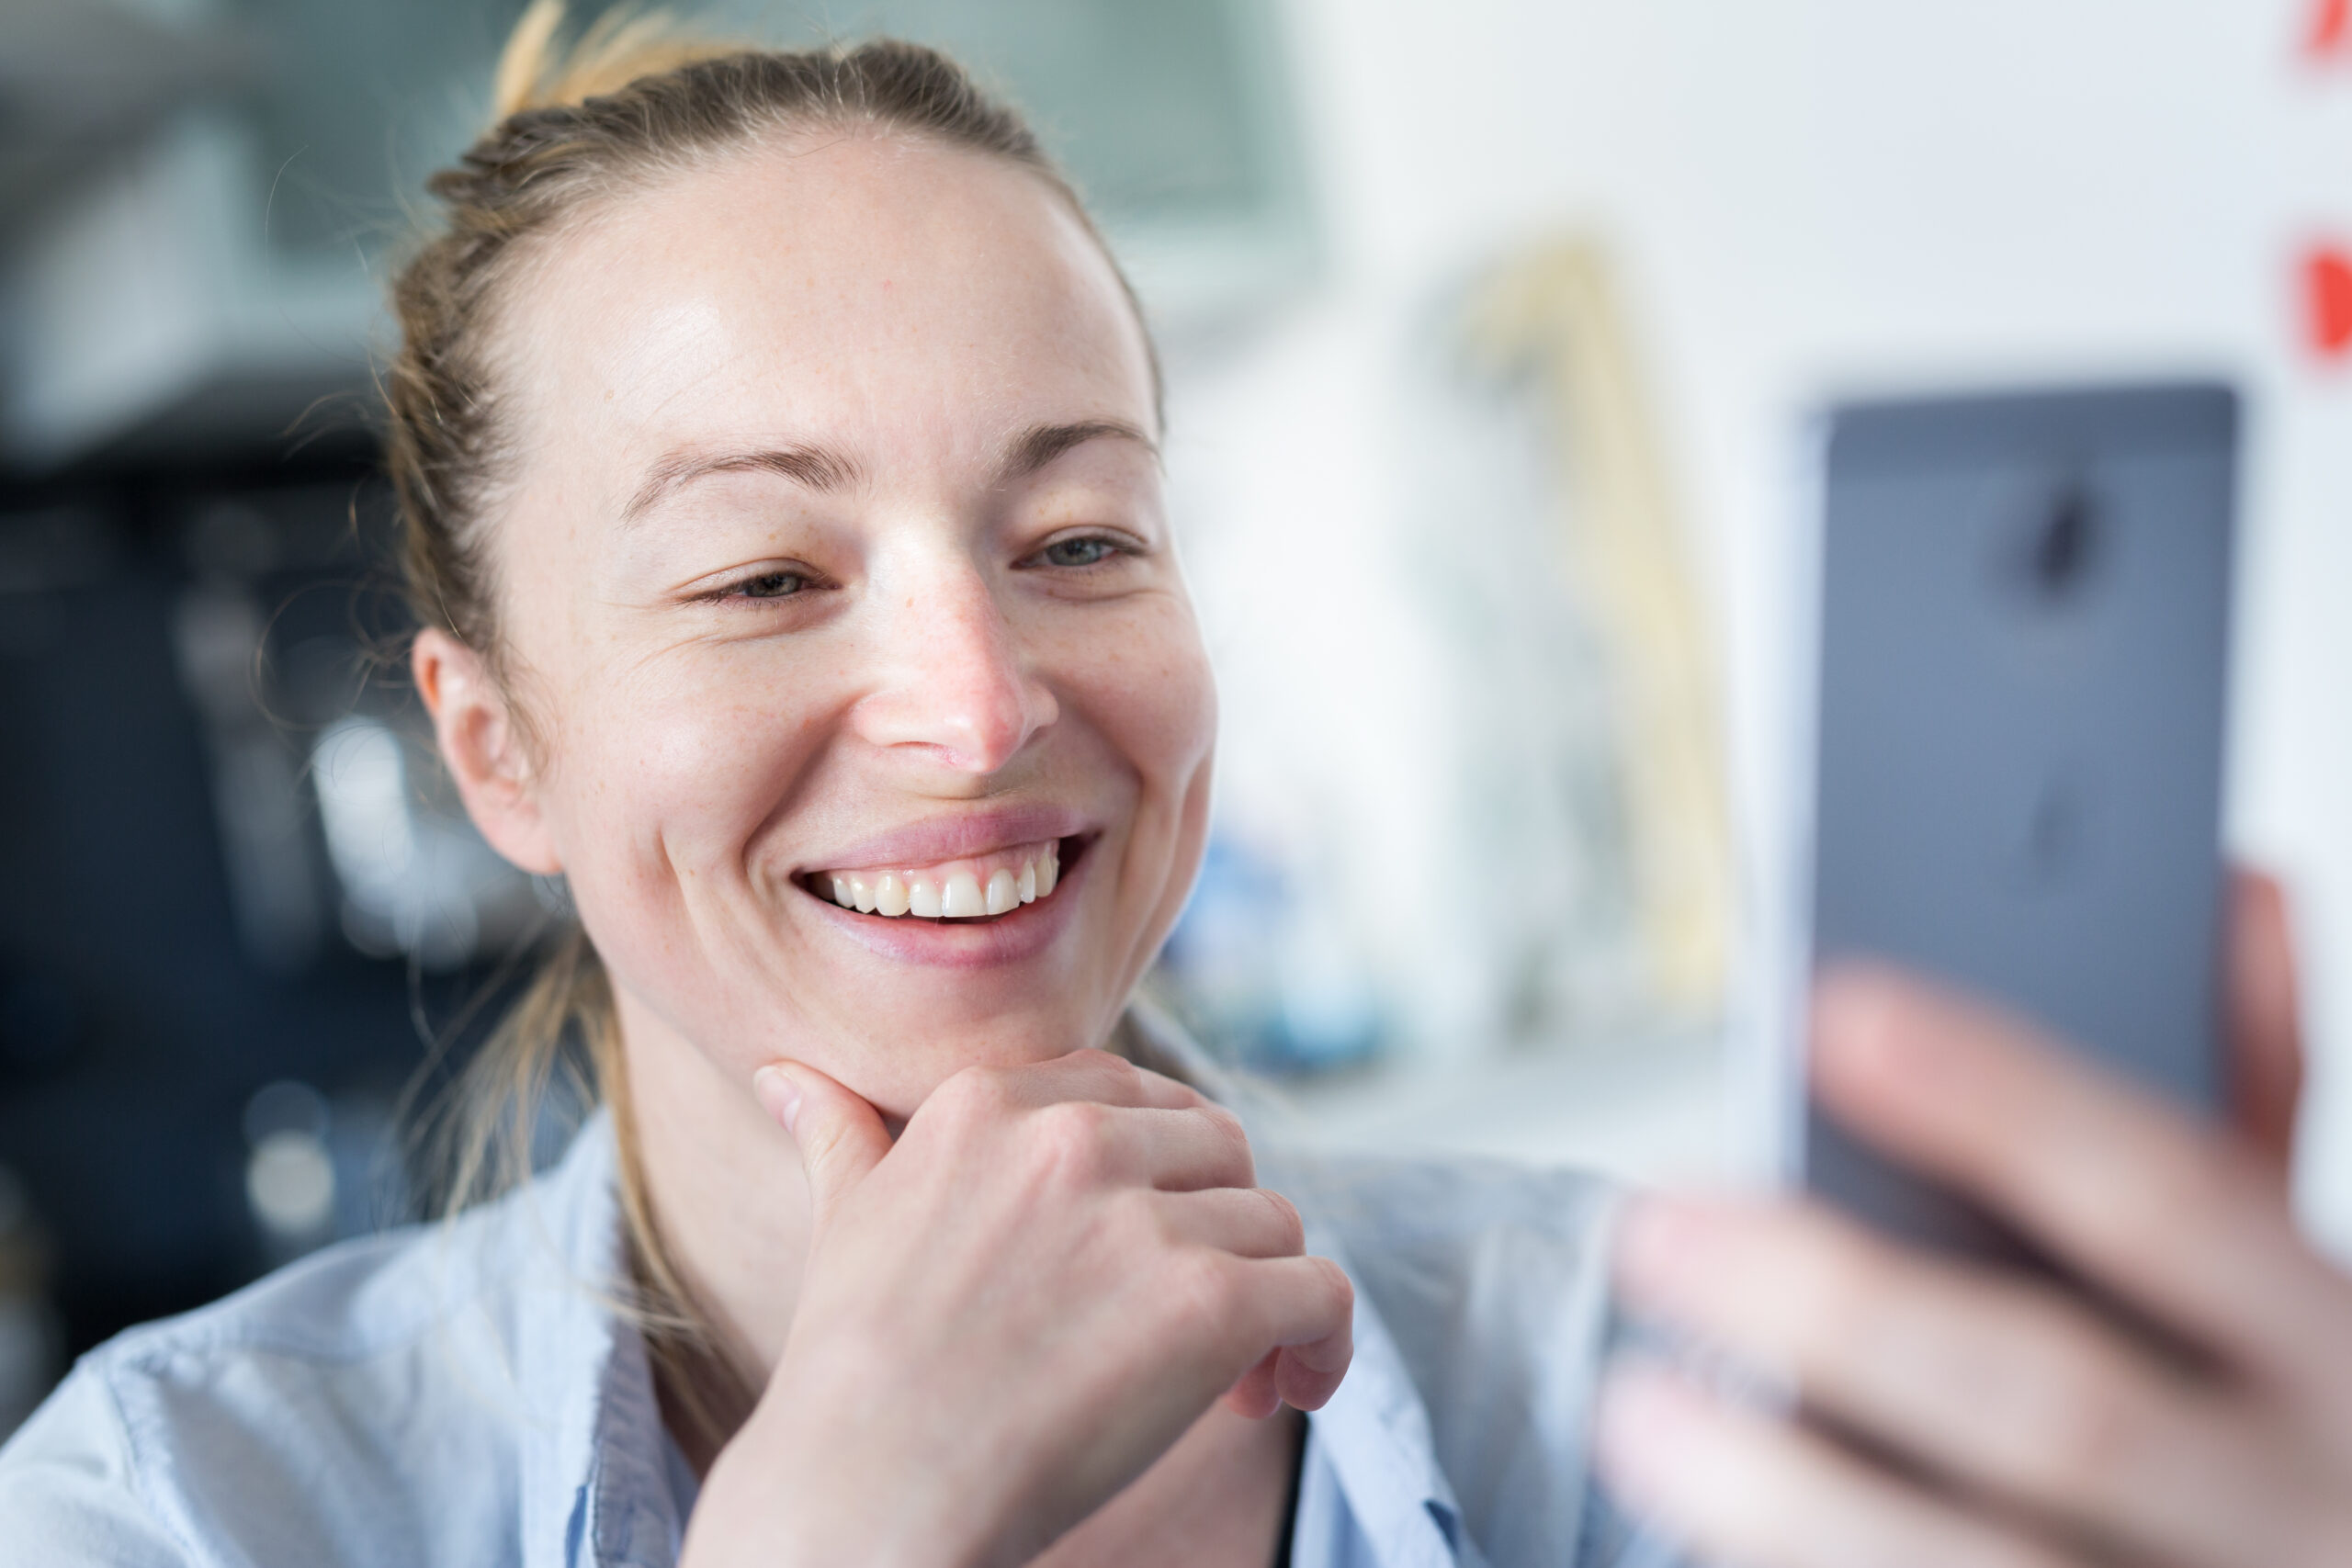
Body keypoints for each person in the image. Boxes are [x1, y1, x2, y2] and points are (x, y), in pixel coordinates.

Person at [4, 7, 2350, 1565]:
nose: (975, 697)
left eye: (1077, 538)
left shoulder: (1664, 1399)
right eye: (756, 575)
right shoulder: (181, 1503)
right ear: (495, 749)